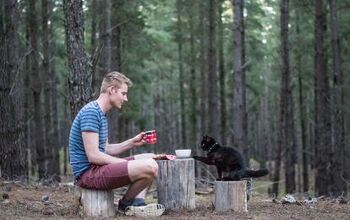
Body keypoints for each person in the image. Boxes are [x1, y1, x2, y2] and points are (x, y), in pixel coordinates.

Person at [69, 71, 166, 217]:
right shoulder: (91, 112)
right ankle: (126, 204)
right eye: (123, 93)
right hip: (88, 174)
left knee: (151, 158)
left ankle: (137, 203)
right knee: (149, 166)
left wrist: (132, 142)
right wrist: (123, 164)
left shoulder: (101, 113)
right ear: (111, 90)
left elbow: (106, 149)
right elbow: (94, 156)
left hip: (98, 169)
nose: (125, 98)